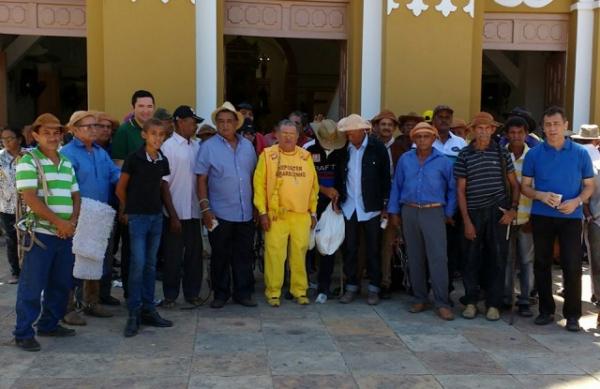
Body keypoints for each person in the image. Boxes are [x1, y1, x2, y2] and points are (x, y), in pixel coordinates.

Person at [521, 107, 595, 332]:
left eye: (556, 124)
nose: (552, 129)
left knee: (572, 265)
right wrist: (541, 195)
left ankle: (572, 316)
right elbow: (524, 186)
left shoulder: (580, 153)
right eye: (548, 124)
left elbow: (589, 186)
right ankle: (546, 310)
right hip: (542, 215)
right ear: (543, 127)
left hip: (571, 217)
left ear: (565, 125)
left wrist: (577, 201)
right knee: (542, 264)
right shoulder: (534, 154)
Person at [13, 113, 81, 352]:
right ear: (35, 135)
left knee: (61, 284)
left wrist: (71, 222)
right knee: (32, 286)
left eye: (56, 132)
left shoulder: (66, 162)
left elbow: (75, 195)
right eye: (47, 133)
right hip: (39, 234)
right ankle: (23, 332)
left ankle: (49, 324)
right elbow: (30, 198)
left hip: (64, 234)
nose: (52, 137)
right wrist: (59, 223)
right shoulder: (28, 160)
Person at [455, 112, 520, 321]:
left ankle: (494, 304)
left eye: (487, 128)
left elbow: (514, 185)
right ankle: (471, 302)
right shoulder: (464, 155)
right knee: (470, 258)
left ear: (493, 130)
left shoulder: (502, 154)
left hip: (498, 213)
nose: (483, 132)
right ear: (473, 131)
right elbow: (460, 191)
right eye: (479, 128)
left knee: (498, 258)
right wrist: (466, 221)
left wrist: (513, 210)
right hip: (473, 213)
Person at [388, 121, 456, 320]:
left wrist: (449, 212)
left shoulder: (443, 161)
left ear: (434, 138)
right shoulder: (405, 160)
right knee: (414, 257)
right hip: (409, 210)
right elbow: (396, 186)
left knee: (438, 259)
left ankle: (442, 302)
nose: (422, 140)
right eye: (418, 137)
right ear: (413, 140)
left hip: (434, 212)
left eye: (426, 136)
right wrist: (394, 212)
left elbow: (452, 189)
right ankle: (419, 298)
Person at [196, 102, 258, 308]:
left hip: (245, 213)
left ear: (236, 124)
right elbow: (201, 180)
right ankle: (220, 294)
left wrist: (257, 207)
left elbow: (253, 178)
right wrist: (205, 209)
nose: (224, 125)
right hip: (219, 212)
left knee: (244, 254)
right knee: (220, 255)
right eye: (221, 122)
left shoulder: (248, 147)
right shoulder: (207, 147)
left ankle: (243, 293)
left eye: (229, 121)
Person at [115, 118, 173, 337]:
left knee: (150, 264)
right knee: (137, 264)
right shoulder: (134, 158)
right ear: (144, 135)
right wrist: (126, 209)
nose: (157, 138)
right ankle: (134, 311)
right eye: (153, 134)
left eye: (162, 134)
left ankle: (149, 309)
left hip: (155, 217)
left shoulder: (162, 160)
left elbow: (159, 186)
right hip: (138, 217)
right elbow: (121, 188)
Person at [61, 111, 121, 319]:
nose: (94, 130)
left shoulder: (100, 152)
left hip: (100, 213)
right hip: (77, 214)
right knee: (72, 261)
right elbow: (65, 187)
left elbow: (115, 175)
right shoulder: (67, 153)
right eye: (88, 126)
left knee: (95, 259)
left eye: (96, 126)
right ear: (74, 130)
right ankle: (67, 307)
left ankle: (91, 303)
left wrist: (136, 179)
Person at [254, 119, 319, 307]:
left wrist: (313, 212)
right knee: (275, 254)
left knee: (299, 254)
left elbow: (313, 187)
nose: (288, 137)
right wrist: (262, 212)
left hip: (301, 214)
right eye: (284, 133)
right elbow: (259, 185)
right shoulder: (267, 155)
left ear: (298, 136)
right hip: (276, 215)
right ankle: (273, 292)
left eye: (292, 134)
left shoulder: (306, 156)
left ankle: (299, 290)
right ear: (277, 135)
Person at [335, 114, 391, 305]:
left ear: (362, 131)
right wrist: (337, 197)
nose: (350, 136)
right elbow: (339, 176)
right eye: (347, 133)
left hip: (372, 207)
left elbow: (385, 178)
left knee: (373, 249)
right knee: (350, 248)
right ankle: (351, 286)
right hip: (349, 206)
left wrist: (385, 205)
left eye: (352, 133)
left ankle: (374, 288)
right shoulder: (344, 150)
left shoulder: (377, 148)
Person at [111, 90, 155, 299]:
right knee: (132, 253)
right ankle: (132, 295)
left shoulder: (155, 131)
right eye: (141, 106)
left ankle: (146, 296)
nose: (145, 110)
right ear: (133, 108)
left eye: (149, 106)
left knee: (149, 255)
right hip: (132, 203)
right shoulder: (124, 132)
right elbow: (118, 168)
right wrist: (123, 206)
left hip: (153, 204)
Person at [160, 105, 203, 308]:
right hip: (174, 213)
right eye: (191, 121)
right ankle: (170, 295)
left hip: (194, 210)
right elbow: (164, 183)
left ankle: (192, 293)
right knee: (173, 257)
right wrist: (173, 215)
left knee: (194, 256)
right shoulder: (168, 147)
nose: (195, 125)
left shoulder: (197, 146)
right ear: (179, 121)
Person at [304, 119, 346, 303]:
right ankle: (301, 284)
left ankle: (324, 286)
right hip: (309, 205)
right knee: (305, 246)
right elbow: (304, 179)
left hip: (333, 206)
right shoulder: (308, 152)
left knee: (328, 247)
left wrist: (338, 198)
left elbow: (345, 179)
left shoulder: (343, 152)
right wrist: (323, 189)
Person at [372, 109, 411, 297]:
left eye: (389, 125)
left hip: (394, 202)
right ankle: (366, 280)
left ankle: (385, 282)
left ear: (394, 128)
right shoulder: (370, 145)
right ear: (377, 127)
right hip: (372, 202)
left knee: (389, 244)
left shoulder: (401, 148)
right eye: (383, 124)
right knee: (369, 244)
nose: (386, 127)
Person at [503, 116, 535, 318]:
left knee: (526, 261)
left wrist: (533, 219)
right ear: (507, 134)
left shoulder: (534, 156)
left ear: (526, 134)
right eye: (512, 133)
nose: (516, 137)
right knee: (506, 261)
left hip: (527, 219)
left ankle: (525, 299)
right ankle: (507, 298)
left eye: (520, 133)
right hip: (504, 218)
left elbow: (539, 187)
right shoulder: (499, 154)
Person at [579, 125, 600, 305]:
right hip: (593, 218)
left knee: (595, 261)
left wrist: (587, 214)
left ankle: (597, 295)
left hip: (590, 217)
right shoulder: (594, 161)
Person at [0, 126, 23, 284]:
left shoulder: (29, 155)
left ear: (19, 139)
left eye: (10, 138)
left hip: (28, 206)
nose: (6, 142)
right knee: (11, 239)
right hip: (6, 206)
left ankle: (29, 269)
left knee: (28, 238)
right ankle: (16, 272)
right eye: (3, 139)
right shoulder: (0, 157)